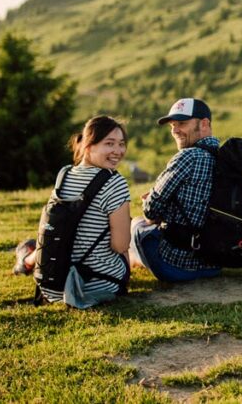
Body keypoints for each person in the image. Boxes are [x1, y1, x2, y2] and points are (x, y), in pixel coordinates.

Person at [13, 115, 132, 307]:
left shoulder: (64, 174)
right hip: (97, 286)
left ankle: (27, 260)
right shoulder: (115, 182)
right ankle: (27, 259)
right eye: (109, 143)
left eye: (121, 144)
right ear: (88, 145)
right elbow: (120, 246)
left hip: (52, 287)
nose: (118, 151)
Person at [129, 98, 221, 282]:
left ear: (204, 124)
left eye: (182, 123)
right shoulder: (225, 158)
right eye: (172, 125)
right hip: (215, 265)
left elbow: (151, 211)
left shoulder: (187, 157)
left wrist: (150, 200)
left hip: (175, 266)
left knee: (136, 223)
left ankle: (128, 262)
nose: (175, 130)